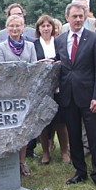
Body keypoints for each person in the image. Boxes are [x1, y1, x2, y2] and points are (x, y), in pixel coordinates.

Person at [55, 2, 96, 190]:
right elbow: (60, 65)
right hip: (68, 97)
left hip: (89, 97)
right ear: (67, 18)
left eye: (81, 16)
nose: (78, 20)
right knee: (74, 136)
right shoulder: (60, 40)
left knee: (95, 137)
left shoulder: (95, 39)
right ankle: (80, 171)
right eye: (74, 16)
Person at [0, 15, 37, 175]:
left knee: (23, 127)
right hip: (8, 93)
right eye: (12, 26)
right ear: (7, 28)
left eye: (18, 26)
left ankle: (21, 161)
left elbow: (34, 68)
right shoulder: (0, 47)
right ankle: (9, 162)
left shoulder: (30, 46)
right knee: (9, 128)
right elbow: (0, 71)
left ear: (23, 27)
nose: (15, 29)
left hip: (26, 92)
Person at [33, 14, 69, 165]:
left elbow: (66, 60)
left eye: (49, 26)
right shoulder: (33, 45)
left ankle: (64, 152)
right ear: (38, 29)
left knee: (61, 122)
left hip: (59, 87)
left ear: (53, 28)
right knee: (44, 122)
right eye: (43, 26)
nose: (46, 28)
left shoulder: (60, 42)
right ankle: (46, 153)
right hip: (42, 89)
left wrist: (56, 62)